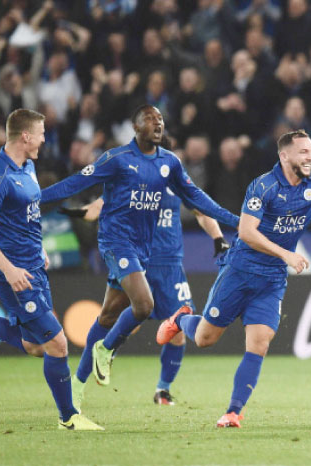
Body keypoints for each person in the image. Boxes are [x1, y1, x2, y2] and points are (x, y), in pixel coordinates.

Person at [156, 129, 311, 428]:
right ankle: (180, 320)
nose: (310, 156)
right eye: (303, 151)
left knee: (260, 342)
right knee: (204, 339)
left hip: (272, 278)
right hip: (240, 271)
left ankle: (233, 412)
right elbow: (247, 232)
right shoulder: (263, 186)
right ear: (284, 155)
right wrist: (286, 254)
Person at [40, 105, 239, 407]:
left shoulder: (169, 165)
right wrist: (35, 199)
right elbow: (77, 182)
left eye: (160, 119)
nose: (157, 124)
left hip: (149, 255)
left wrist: (233, 222)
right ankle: (106, 351)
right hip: (117, 243)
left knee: (108, 315)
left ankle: (76, 391)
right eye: (150, 119)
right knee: (144, 306)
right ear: (135, 127)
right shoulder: (118, 159)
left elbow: (197, 199)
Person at [0, 109, 102, 431]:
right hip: (12, 274)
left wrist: (37, 246)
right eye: (40, 133)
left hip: (33, 268)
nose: (43, 138)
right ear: (25, 136)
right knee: (57, 343)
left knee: (35, 346)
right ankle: (69, 417)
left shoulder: (28, 166)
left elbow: (27, 214)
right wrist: (10, 270)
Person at [61, 192, 230, 407]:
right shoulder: (135, 173)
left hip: (169, 264)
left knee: (177, 333)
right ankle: (79, 383)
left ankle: (163, 390)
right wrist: (81, 212)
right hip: (135, 258)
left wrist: (218, 237)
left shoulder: (174, 175)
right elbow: (101, 204)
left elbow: (200, 209)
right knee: (108, 315)